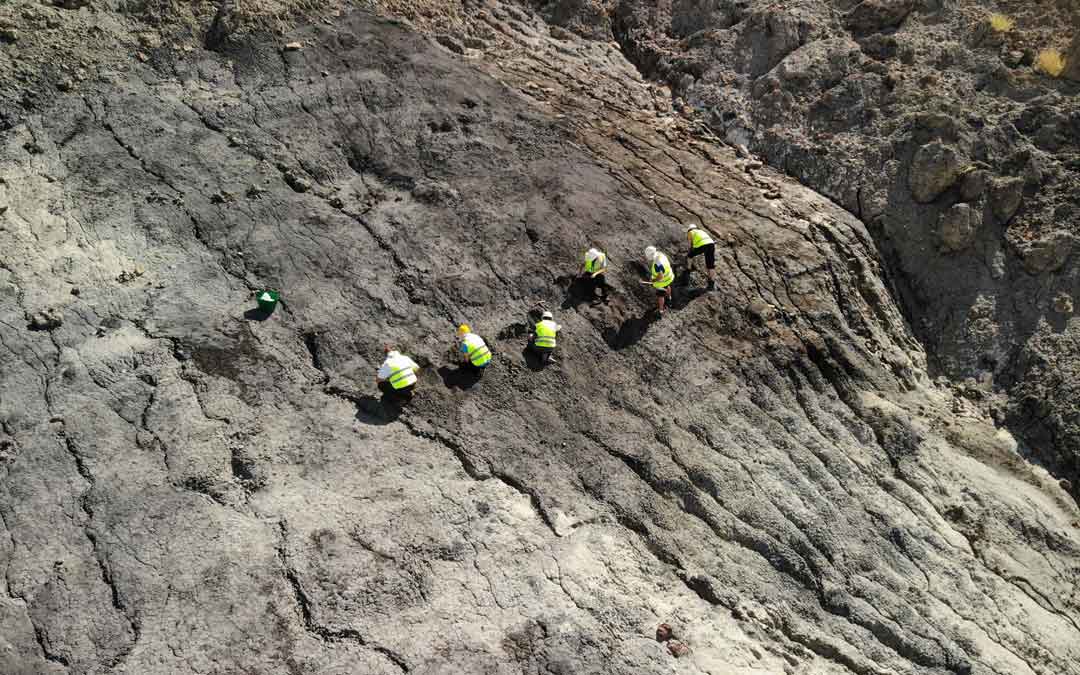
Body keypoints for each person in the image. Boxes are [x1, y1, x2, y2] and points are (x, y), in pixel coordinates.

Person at [642, 246, 675, 314]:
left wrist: (653, 280)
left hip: (663, 281)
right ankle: (669, 298)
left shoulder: (657, 264)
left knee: (661, 296)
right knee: (667, 286)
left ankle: (661, 310)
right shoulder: (660, 254)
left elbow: (661, 276)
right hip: (669, 277)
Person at [685, 225, 717, 290]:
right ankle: (711, 284)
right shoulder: (701, 231)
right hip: (711, 244)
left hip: (702, 245)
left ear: (689, 229)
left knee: (689, 256)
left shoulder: (690, 232)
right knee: (710, 265)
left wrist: (690, 251)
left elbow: (689, 245)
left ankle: (688, 269)